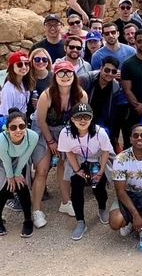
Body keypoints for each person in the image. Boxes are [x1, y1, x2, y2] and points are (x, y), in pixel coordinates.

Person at [30, 60, 88, 228]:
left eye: (68, 73)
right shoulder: (47, 95)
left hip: (65, 132)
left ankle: (65, 201)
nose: (65, 76)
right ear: (55, 76)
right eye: (60, 73)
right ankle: (37, 210)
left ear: (74, 75)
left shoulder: (80, 95)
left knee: (64, 164)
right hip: (44, 130)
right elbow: (41, 120)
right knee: (42, 170)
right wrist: (50, 141)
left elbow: (81, 118)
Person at [58, 103, 114, 240]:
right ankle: (80, 221)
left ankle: (102, 208)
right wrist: (77, 170)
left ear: (91, 118)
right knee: (76, 188)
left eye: (86, 117)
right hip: (77, 159)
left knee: (99, 187)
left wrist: (101, 171)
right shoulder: (65, 133)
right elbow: (69, 152)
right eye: (78, 117)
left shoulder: (100, 132)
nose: (82, 120)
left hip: (97, 158)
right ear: (72, 119)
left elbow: (106, 151)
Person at [0, 109, 39, 238]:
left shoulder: (32, 136)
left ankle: (28, 219)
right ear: (7, 129)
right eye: (13, 127)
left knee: (22, 185)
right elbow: (5, 160)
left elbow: (25, 156)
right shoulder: (2, 140)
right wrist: (10, 177)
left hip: (21, 159)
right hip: (2, 160)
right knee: (5, 186)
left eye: (21, 126)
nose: (18, 130)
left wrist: (17, 174)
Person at [80, 56, 121, 145]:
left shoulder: (115, 87)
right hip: (82, 115)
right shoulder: (87, 79)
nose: (109, 74)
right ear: (101, 68)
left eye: (113, 71)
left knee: (104, 134)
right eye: (107, 70)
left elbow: (114, 112)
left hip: (100, 118)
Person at [0, 51, 34, 116]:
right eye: (19, 65)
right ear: (12, 67)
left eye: (26, 64)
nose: (24, 67)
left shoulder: (23, 82)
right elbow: (5, 114)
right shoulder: (9, 89)